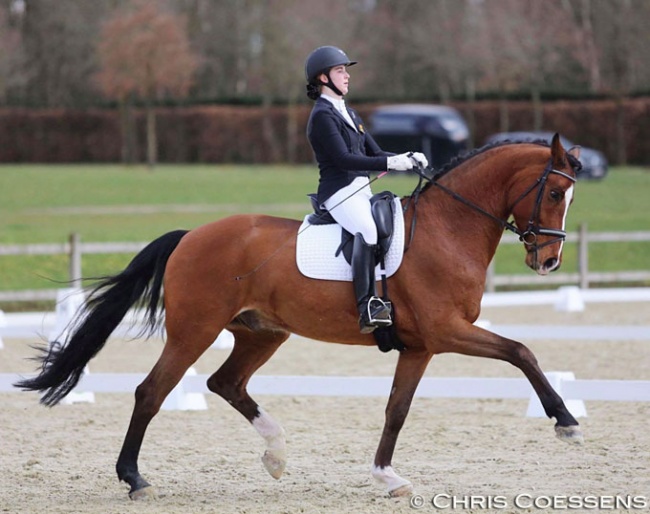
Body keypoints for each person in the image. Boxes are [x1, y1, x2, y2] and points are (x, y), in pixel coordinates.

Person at [304, 45, 428, 335]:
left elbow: (374, 151)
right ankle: (367, 306)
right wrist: (390, 162)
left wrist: (407, 158)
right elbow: (344, 160)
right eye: (340, 71)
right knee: (368, 230)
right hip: (338, 192)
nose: (346, 76)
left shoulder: (349, 112)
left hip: (360, 190)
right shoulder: (323, 116)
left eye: (346, 71)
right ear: (323, 78)